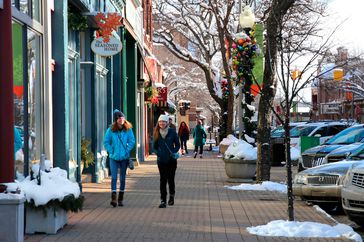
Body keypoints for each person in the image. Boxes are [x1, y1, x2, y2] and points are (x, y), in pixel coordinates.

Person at [103, 109, 135, 207]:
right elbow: (106, 142)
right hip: (113, 157)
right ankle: (113, 198)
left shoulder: (128, 129)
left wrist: (127, 149)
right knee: (113, 177)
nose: (121, 120)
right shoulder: (111, 130)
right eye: (119, 118)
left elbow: (132, 141)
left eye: (122, 118)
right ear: (116, 120)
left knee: (122, 178)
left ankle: (120, 198)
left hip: (124, 158)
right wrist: (111, 150)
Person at [153, 114, 180, 208]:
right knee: (163, 180)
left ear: (167, 122)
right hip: (161, 161)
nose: (161, 123)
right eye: (160, 122)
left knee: (170, 179)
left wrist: (173, 152)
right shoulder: (156, 132)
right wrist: (158, 153)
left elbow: (177, 145)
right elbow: (154, 147)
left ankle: (171, 196)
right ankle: (163, 200)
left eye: (163, 121)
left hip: (171, 160)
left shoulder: (172, 132)